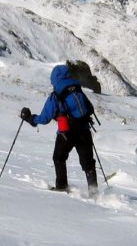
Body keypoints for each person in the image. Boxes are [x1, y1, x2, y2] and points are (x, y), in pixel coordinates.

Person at [20, 65, 99, 194]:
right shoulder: (78, 90)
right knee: (88, 162)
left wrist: (31, 119)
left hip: (66, 132)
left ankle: (62, 186)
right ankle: (94, 191)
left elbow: (45, 118)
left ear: (54, 79)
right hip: (84, 130)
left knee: (59, 158)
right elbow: (89, 108)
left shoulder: (57, 94)